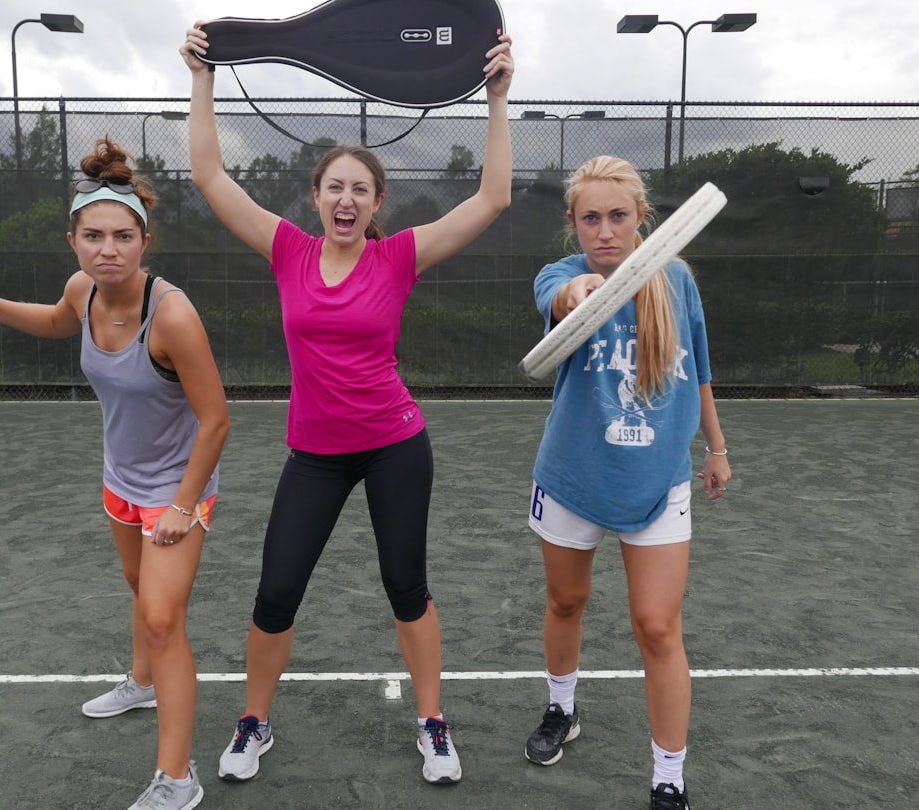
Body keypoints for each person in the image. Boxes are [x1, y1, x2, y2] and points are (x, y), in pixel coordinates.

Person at [179, 21, 513, 786]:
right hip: (315, 456)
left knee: (407, 586)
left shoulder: (397, 257)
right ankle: (253, 721)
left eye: (361, 189)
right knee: (276, 592)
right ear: (316, 194)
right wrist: (205, 76)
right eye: (335, 185)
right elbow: (209, 176)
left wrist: (497, 97)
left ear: (375, 202)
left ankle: (433, 723)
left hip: (396, 444)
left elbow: (493, 198)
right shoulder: (288, 250)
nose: (347, 198)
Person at [0, 137, 230, 810]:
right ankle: (142, 681)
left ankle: (178, 780)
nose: (107, 249)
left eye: (122, 236)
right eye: (93, 235)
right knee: (137, 588)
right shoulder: (83, 290)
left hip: (176, 493)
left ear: (144, 240)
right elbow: (53, 319)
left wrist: (185, 506)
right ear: (73, 240)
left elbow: (216, 421)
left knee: (163, 619)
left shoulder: (174, 315)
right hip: (120, 482)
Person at [522, 156, 731, 810]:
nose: (605, 230)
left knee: (658, 628)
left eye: (618, 216)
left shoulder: (678, 283)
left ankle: (668, 775)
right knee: (565, 602)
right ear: (574, 223)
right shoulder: (563, 274)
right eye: (591, 218)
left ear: (642, 216)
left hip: (659, 482)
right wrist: (579, 295)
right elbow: (556, 295)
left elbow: (697, 372)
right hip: (573, 477)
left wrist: (717, 447)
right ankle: (563, 709)